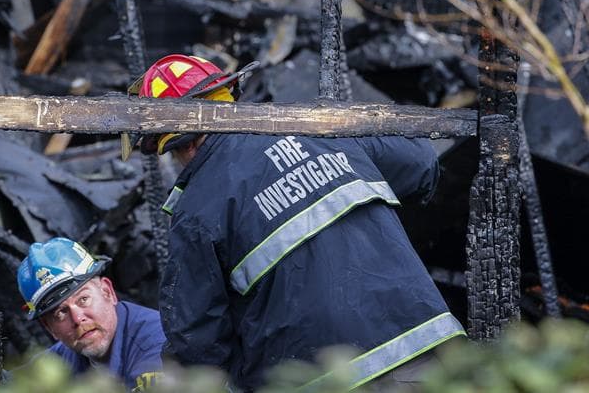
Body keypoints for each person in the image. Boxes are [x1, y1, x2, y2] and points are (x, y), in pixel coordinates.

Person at [129, 54, 466, 391]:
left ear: (177, 144)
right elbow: (420, 163)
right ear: (228, 95)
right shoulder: (312, 126)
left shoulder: (197, 210)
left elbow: (195, 344)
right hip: (429, 349)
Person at [17, 237, 165, 392]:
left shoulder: (157, 345)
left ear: (107, 292)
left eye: (83, 299)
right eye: (61, 312)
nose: (77, 319)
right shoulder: (65, 356)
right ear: (49, 328)